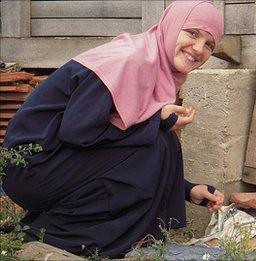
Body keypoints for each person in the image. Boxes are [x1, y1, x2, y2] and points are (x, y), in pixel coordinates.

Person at [2, 1, 224, 258]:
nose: (199, 48)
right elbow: (78, 132)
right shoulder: (130, 60)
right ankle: (58, 237)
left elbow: (114, 150)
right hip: (30, 167)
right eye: (192, 33)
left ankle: (72, 232)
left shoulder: (154, 63)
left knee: (160, 139)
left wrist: (187, 189)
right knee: (157, 140)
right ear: (172, 26)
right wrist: (156, 121)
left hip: (52, 161)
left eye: (209, 44)